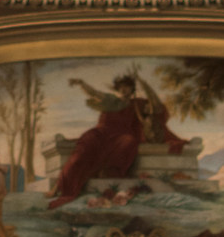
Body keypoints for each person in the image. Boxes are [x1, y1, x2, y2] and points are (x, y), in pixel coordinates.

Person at [48, 71, 186, 207]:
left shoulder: (137, 104)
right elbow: (94, 93)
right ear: (118, 89)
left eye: (127, 87)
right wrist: (82, 83)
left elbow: (156, 105)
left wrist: (144, 83)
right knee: (84, 147)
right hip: (101, 133)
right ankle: (60, 187)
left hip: (121, 136)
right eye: (121, 87)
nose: (124, 89)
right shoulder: (110, 100)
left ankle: (107, 173)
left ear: (132, 89)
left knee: (128, 142)